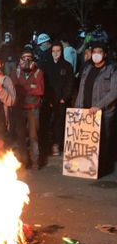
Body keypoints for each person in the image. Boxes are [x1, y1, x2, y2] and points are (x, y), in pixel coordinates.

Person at [75, 42, 117, 175]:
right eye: (94, 52)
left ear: (105, 54)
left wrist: (98, 106)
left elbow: (114, 92)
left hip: (103, 114)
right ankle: (87, 169)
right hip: (86, 112)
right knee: (86, 143)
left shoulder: (112, 70)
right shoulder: (87, 69)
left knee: (102, 142)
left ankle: (101, 170)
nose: (96, 55)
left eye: (99, 52)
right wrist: (77, 108)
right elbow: (81, 89)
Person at [10, 48, 44, 169]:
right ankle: (23, 161)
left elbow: (40, 90)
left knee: (33, 136)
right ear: (20, 60)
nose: (27, 60)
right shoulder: (15, 72)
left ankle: (35, 161)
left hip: (33, 108)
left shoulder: (38, 72)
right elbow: (15, 89)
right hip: (19, 108)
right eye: (24, 58)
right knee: (20, 135)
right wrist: (31, 86)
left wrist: (24, 88)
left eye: (29, 57)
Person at [40, 40, 74, 157]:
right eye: (53, 51)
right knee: (46, 123)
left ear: (62, 51)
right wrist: (46, 98)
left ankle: (56, 144)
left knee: (59, 123)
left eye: (58, 51)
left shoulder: (67, 66)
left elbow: (70, 83)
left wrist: (65, 97)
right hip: (48, 100)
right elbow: (42, 82)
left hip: (61, 100)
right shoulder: (46, 65)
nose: (55, 53)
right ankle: (45, 146)